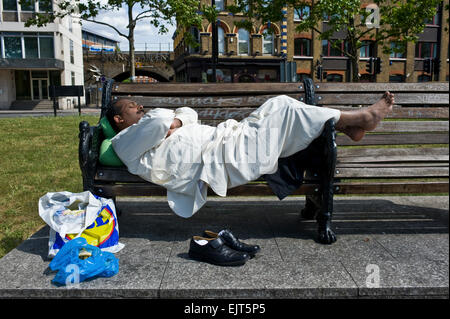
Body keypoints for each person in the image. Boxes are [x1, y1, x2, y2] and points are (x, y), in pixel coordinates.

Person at [108, 93, 394, 218]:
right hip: (220, 158)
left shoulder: (147, 130)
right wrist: (167, 122)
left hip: (227, 139)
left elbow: (187, 113)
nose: (140, 106)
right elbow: (158, 119)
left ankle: (350, 124)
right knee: (283, 107)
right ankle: (361, 118)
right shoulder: (124, 141)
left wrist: (178, 123)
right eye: (131, 106)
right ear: (119, 120)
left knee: (278, 107)